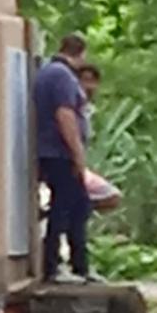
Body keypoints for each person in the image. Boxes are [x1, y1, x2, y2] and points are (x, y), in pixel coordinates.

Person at [34, 34, 91, 282]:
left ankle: (78, 266)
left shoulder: (49, 72)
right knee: (69, 207)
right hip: (60, 153)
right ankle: (56, 265)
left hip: (53, 151)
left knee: (76, 206)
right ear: (80, 53)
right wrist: (78, 154)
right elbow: (65, 115)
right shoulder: (62, 76)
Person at [77, 63, 122, 213]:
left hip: (81, 163)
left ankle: (77, 207)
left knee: (112, 197)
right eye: (84, 80)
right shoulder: (72, 105)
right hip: (70, 161)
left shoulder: (88, 109)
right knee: (110, 196)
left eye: (92, 81)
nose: (88, 86)